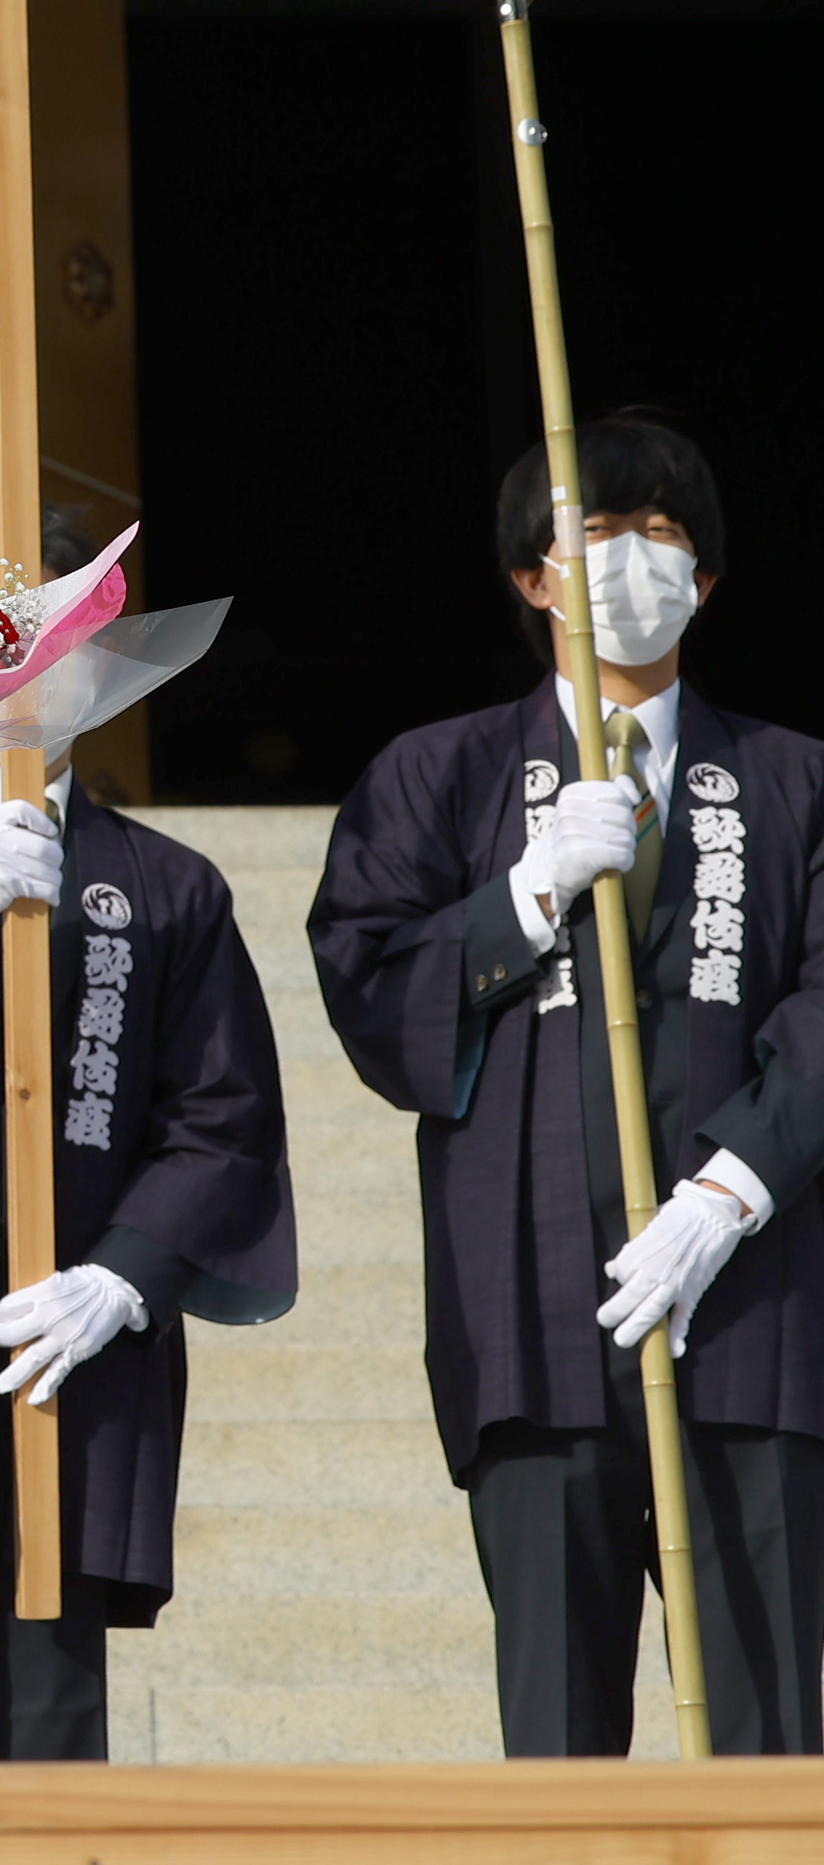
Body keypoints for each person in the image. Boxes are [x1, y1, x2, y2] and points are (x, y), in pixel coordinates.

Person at [312, 411, 824, 1756]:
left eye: (660, 530)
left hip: (753, 1314)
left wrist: (734, 1185)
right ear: (533, 571)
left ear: (705, 576)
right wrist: (523, 896)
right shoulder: (440, 775)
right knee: (558, 1744)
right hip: (533, 1315)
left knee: (771, 1734)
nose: (630, 557)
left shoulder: (796, 782)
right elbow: (369, 985)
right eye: (595, 528)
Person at [0, 508, 296, 1763]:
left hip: (65, 1357)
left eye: (78, 622)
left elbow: (222, 1116)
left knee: (47, 1752)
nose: (43, 652)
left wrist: (123, 1278)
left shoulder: (165, 884)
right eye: (13, 619)